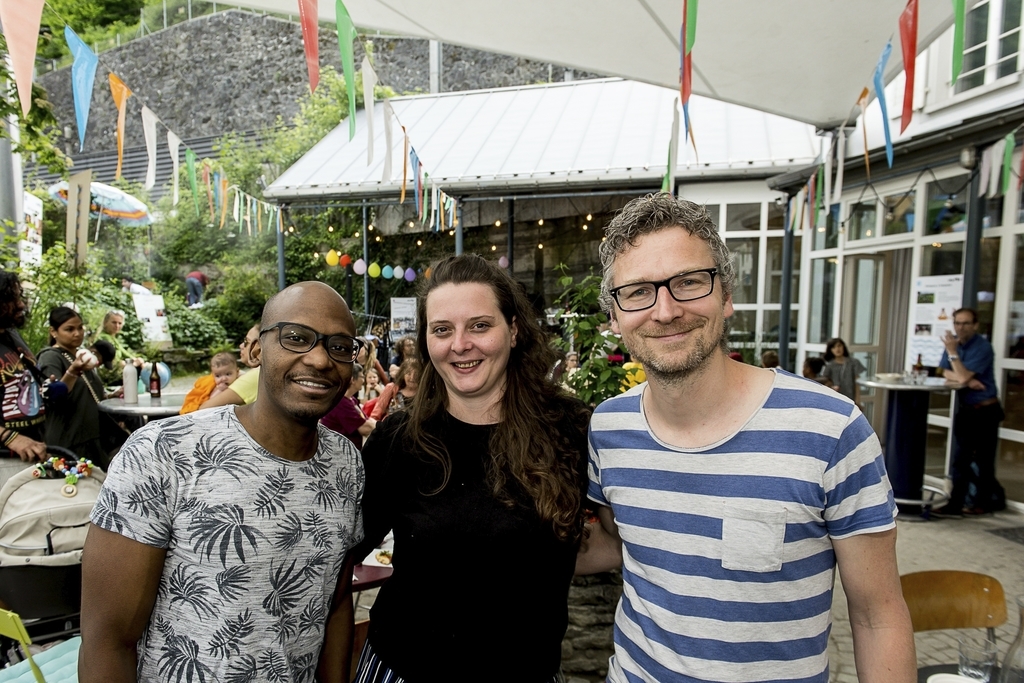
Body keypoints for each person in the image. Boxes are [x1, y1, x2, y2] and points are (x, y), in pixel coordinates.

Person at [577, 194, 915, 683]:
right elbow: (620, 542)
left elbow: (876, 615)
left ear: (726, 294)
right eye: (637, 291)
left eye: (689, 282)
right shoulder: (609, 429)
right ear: (614, 315)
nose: (666, 310)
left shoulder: (829, 428)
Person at [79, 281, 366, 683]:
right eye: (296, 338)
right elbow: (106, 642)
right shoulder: (161, 452)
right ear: (254, 351)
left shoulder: (346, 463)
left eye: (339, 346)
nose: (319, 359)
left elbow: (332, 605)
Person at [352, 254, 590, 682]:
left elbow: (589, 542)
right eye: (442, 330)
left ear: (513, 330)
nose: (460, 344)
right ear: (426, 341)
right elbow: (337, 558)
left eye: (480, 325)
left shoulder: (571, 430)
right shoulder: (400, 440)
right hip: (404, 670)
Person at [937, 308, 1006, 516]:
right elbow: (943, 371)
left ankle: (984, 503)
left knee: (984, 460)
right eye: (957, 323)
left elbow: (962, 376)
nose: (960, 327)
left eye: (966, 323)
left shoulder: (982, 347)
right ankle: (956, 504)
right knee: (961, 459)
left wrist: (955, 359)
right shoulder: (955, 345)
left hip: (985, 410)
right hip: (966, 410)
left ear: (975, 325)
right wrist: (963, 376)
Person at [36, 307, 114, 467]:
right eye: (69, 329)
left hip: (92, 439)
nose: (77, 333)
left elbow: (88, 394)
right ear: (53, 331)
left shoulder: (80, 356)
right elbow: (54, 395)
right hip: (69, 441)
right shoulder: (51, 357)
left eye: (80, 328)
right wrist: (72, 371)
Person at [0, 272, 47, 469]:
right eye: (12, 299)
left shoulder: (11, 335)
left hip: (31, 455)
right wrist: (10, 438)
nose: (21, 305)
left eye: (19, 296)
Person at [198, 323, 261, 409]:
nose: (241, 345)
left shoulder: (256, 376)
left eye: (246, 342)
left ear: (259, 349)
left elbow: (203, 409)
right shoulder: (263, 373)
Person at [322, 362, 376, 449]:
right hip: (337, 453)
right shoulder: (340, 402)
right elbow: (365, 428)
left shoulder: (351, 400)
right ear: (352, 380)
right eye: (362, 377)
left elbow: (365, 419)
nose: (364, 380)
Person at [95, 310, 142, 385]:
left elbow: (125, 353)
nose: (117, 326)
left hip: (116, 371)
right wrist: (134, 363)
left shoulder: (113, 337)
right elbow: (115, 361)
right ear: (105, 323)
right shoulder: (104, 338)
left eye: (119, 323)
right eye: (114, 322)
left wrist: (136, 359)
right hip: (109, 374)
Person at [822, 337, 866, 404]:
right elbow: (825, 382)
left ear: (843, 347)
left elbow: (857, 382)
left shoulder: (853, 362)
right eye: (833, 347)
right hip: (836, 398)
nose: (837, 349)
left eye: (839, 346)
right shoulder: (829, 366)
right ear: (830, 350)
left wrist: (858, 400)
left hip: (851, 397)